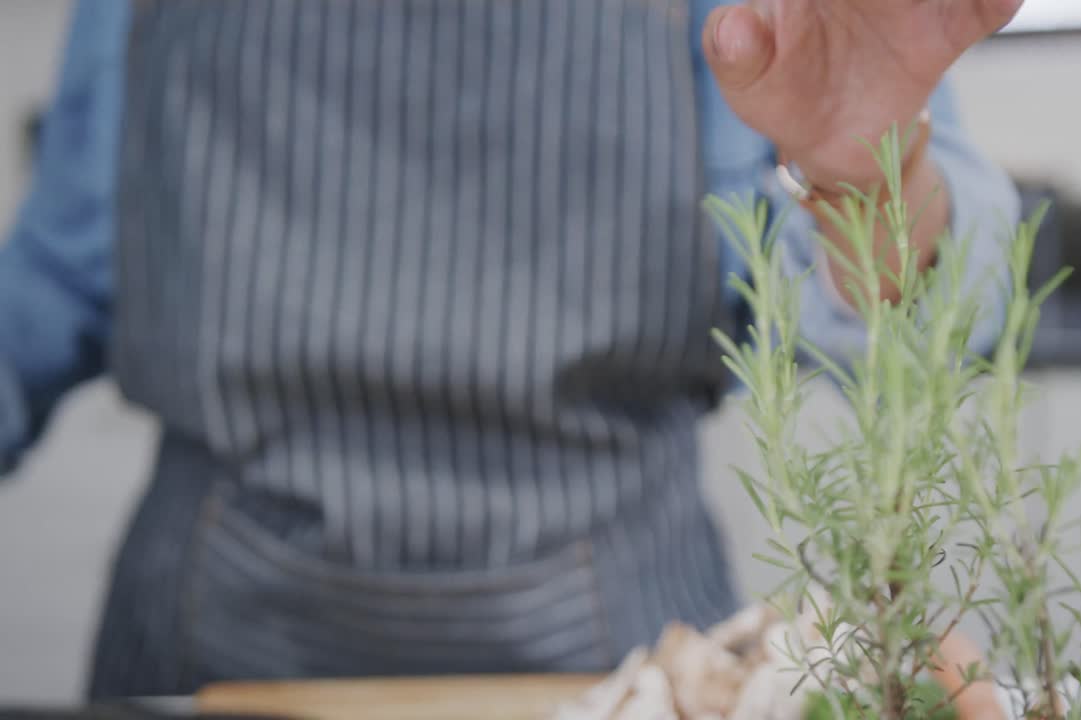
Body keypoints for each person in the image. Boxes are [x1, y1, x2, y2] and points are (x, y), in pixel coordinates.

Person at [0, 0, 1021, 699]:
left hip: (632, 659)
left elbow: (932, 315)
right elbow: (56, 281)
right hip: (203, 642)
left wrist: (860, 176)